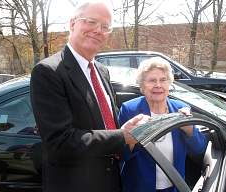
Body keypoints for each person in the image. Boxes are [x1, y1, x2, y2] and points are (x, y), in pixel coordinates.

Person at [30, 1, 148, 192]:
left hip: (111, 181)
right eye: (91, 21)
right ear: (72, 23)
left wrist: (134, 128)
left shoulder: (102, 71)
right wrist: (122, 136)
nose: (98, 30)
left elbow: (107, 123)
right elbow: (60, 142)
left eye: (105, 27)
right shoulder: (48, 72)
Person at [118, 57, 207, 192]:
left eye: (163, 80)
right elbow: (120, 155)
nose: (158, 85)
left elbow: (199, 148)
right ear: (142, 85)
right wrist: (131, 140)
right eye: (152, 80)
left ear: (169, 84)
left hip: (174, 187)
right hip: (139, 187)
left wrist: (189, 129)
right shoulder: (130, 109)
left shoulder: (180, 109)